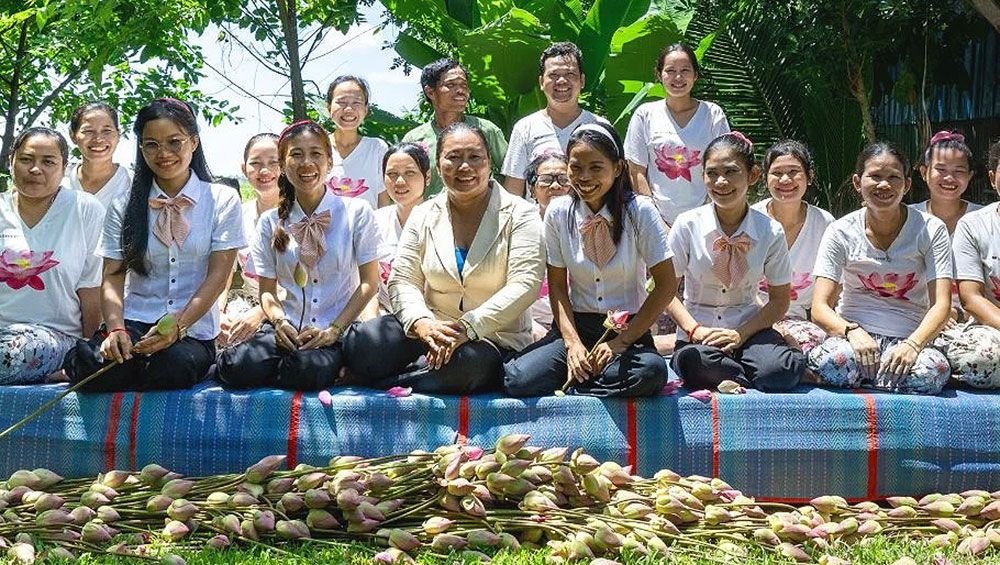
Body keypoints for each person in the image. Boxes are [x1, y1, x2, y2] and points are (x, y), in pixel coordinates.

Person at [344, 122, 543, 394]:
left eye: (475, 157)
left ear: (489, 163)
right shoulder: (423, 214)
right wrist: (421, 323)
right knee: (364, 340)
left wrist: (468, 328)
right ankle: (421, 370)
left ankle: (385, 383)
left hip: (490, 338)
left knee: (466, 366)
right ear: (438, 166)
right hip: (431, 329)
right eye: (453, 157)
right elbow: (403, 279)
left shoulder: (521, 214)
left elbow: (525, 284)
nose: (465, 167)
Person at [63, 98, 245, 391]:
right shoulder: (125, 205)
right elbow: (112, 274)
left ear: (194, 142)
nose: (164, 154)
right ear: (141, 148)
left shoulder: (222, 200)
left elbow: (218, 275)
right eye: (151, 145)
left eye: (175, 142)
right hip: (133, 322)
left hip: (192, 330)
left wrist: (180, 324)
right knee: (95, 364)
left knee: (172, 367)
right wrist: (115, 329)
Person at [504, 123, 677, 397]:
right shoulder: (559, 212)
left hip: (629, 331)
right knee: (517, 379)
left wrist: (620, 344)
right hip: (577, 326)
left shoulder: (640, 211)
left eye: (596, 167)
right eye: (576, 167)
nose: (584, 177)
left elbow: (666, 285)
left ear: (618, 168)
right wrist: (572, 345)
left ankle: (578, 382)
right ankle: (590, 376)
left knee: (651, 373)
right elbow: (558, 287)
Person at [217, 121, 380, 391]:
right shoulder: (270, 223)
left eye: (315, 154)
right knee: (238, 366)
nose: (306, 163)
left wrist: (334, 330)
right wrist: (279, 322)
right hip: (286, 328)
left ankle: (330, 363)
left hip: (335, 330)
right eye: (296, 155)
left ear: (329, 161)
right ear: (283, 163)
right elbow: (267, 292)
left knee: (306, 371)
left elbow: (369, 283)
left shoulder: (357, 213)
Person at [808, 142, 953, 395]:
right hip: (855, 339)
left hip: (908, 338)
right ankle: (881, 380)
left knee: (934, 371)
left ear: (907, 185)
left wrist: (913, 345)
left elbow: (941, 304)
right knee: (834, 362)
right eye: (875, 176)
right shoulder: (840, 232)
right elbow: (819, 308)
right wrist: (851, 332)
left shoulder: (931, 229)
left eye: (893, 177)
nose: (883, 185)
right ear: (857, 182)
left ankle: (866, 379)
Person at [668, 132, 805, 393]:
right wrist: (693, 329)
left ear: (752, 175)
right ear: (703, 176)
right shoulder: (687, 225)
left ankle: (753, 368)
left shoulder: (769, 231)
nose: (721, 181)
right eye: (712, 173)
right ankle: (750, 372)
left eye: (731, 172)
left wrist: (739, 335)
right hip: (699, 333)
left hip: (749, 328)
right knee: (694, 363)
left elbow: (779, 300)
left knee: (779, 373)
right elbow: (666, 292)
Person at [0, 128, 104, 384]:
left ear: (64, 166)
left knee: (10, 354)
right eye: (26, 159)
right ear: (11, 161)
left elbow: (92, 288)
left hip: (55, 337)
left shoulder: (84, 209)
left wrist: (88, 355)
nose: (36, 169)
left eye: (48, 162)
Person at [625, 43, 730, 225]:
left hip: (707, 219)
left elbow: (724, 166)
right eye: (670, 70)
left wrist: (709, 213)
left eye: (685, 70)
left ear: (695, 75)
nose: (678, 77)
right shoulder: (645, 115)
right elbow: (636, 171)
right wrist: (655, 221)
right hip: (655, 221)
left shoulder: (712, 114)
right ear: (659, 75)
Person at [751, 140, 834, 353]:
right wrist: (772, 324)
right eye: (777, 173)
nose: (785, 179)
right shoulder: (749, 219)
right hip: (748, 316)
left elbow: (834, 284)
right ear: (764, 177)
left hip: (800, 324)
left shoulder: (825, 224)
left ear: (809, 176)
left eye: (794, 171)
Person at [502, 42, 606, 199]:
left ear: (582, 81)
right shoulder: (525, 128)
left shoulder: (599, 127)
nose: (562, 81)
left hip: (588, 221)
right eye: (553, 75)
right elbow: (513, 192)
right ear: (541, 82)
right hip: (538, 221)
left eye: (570, 75)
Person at [940, 139, 1000, 388]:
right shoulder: (974, 225)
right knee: (981, 359)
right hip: (993, 327)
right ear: (992, 178)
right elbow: (971, 298)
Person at [401, 59, 508, 197]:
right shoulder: (414, 139)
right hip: (431, 216)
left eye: (464, 85)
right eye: (451, 85)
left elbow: (512, 174)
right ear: (430, 92)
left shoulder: (486, 130)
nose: (460, 91)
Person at [218, 133, 280, 347]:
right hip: (245, 299)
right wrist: (217, 313)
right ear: (244, 168)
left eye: (274, 163)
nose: (265, 171)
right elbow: (222, 273)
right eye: (256, 163)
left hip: (290, 303)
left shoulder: (304, 216)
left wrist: (262, 312)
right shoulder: (237, 215)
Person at [368, 142, 430, 316]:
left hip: (435, 320)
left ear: (428, 177)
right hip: (386, 319)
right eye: (392, 174)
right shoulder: (373, 222)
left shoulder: (444, 220)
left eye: (409, 173)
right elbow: (367, 284)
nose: (400, 181)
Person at [523, 153, 572, 338]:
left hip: (579, 323)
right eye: (546, 180)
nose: (556, 185)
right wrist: (531, 326)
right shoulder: (519, 227)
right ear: (532, 189)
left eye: (563, 179)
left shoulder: (590, 223)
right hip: (530, 325)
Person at [325, 76, 390, 209]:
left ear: (366, 109)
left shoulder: (377, 148)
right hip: (324, 229)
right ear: (329, 107)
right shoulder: (317, 148)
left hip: (367, 229)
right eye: (341, 102)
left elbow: (383, 201)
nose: (349, 109)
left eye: (356, 102)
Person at [64, 102, 131, 210]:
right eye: (88, 131)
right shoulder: (60, 182)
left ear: (118, 135)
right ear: (73, 136)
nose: (98, 139)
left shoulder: (131, 184)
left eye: (107, 131)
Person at [912, 130, 980, 234]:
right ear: (924, 172)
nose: (949, 178)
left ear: (969, 176)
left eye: (959, 171)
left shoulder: (983, 218)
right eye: (941, 169)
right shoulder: (907, 217)